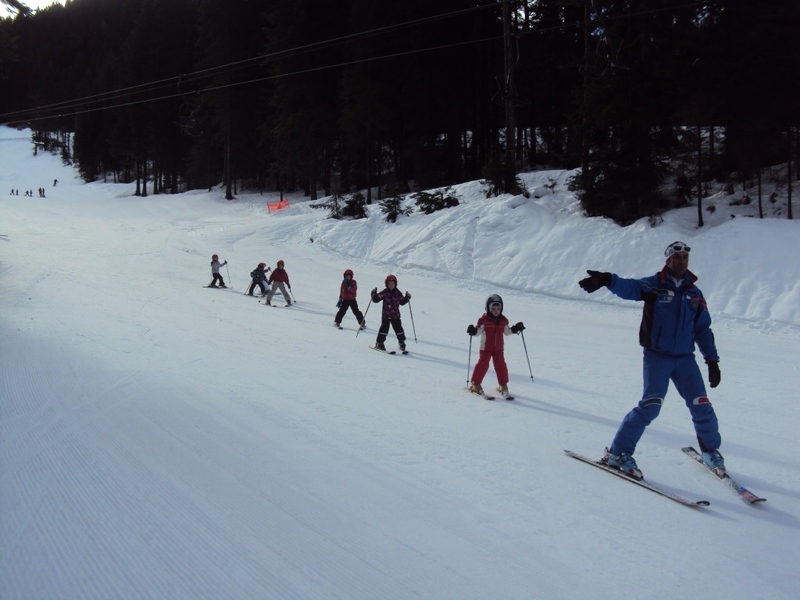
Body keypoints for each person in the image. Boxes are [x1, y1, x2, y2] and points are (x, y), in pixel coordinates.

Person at [578, 241, 724, 480]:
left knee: (701, 404)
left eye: (685, 257)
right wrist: (607, 280)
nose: (681, 261)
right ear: (668, 260)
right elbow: (631, 287)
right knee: (651, 405)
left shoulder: (694, 294)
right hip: (658, 356)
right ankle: (618, 453)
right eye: (676, 257)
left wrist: (712, 361)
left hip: (686, 360)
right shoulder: (654, 286)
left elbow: (703, 330)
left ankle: (711, 450)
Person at [466, 294, 525, 397]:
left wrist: (516, 329)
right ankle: (475, 383)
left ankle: (503, 385)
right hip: (486, 348)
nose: (496, 311)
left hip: (498, 348)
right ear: (488, 308)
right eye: (493, 308)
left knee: (501, 365)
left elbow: (507, 331)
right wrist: (473, 331)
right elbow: (478, 331)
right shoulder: (484, 320)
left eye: (498, 308)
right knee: (483, 364)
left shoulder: (503, 320)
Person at [370, 274, 410, 352]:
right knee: (384, 329)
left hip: (396, 316)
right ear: (386, 284)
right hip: (386, 316)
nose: (391, 285)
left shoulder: (398, 292)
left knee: (399, 329)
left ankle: (401, 342)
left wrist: (407, 298)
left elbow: (402, 302)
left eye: (393, 284)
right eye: (389, 284)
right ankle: (379, 343)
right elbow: (376, 299)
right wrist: (373, 294)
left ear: (395, 284)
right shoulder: (384, 292)